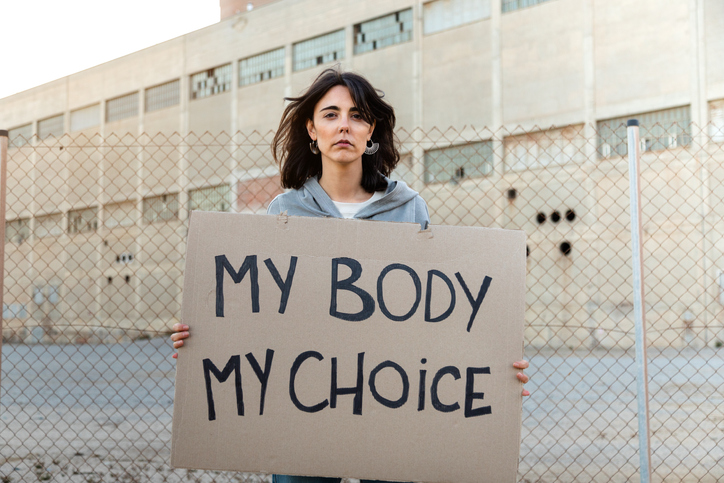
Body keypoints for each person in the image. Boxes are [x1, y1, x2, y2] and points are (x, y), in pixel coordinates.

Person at [170, 68, 530, 483]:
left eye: (357, 115)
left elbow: (435, 318)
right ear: (312, 128)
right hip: (301, 409)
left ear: (371, 129)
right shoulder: (283, 211)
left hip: (391, 406)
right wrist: (206, 337)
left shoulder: (408, 208)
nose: (344, 124)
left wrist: (495, 363)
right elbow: (260, 318)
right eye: (331, 114)